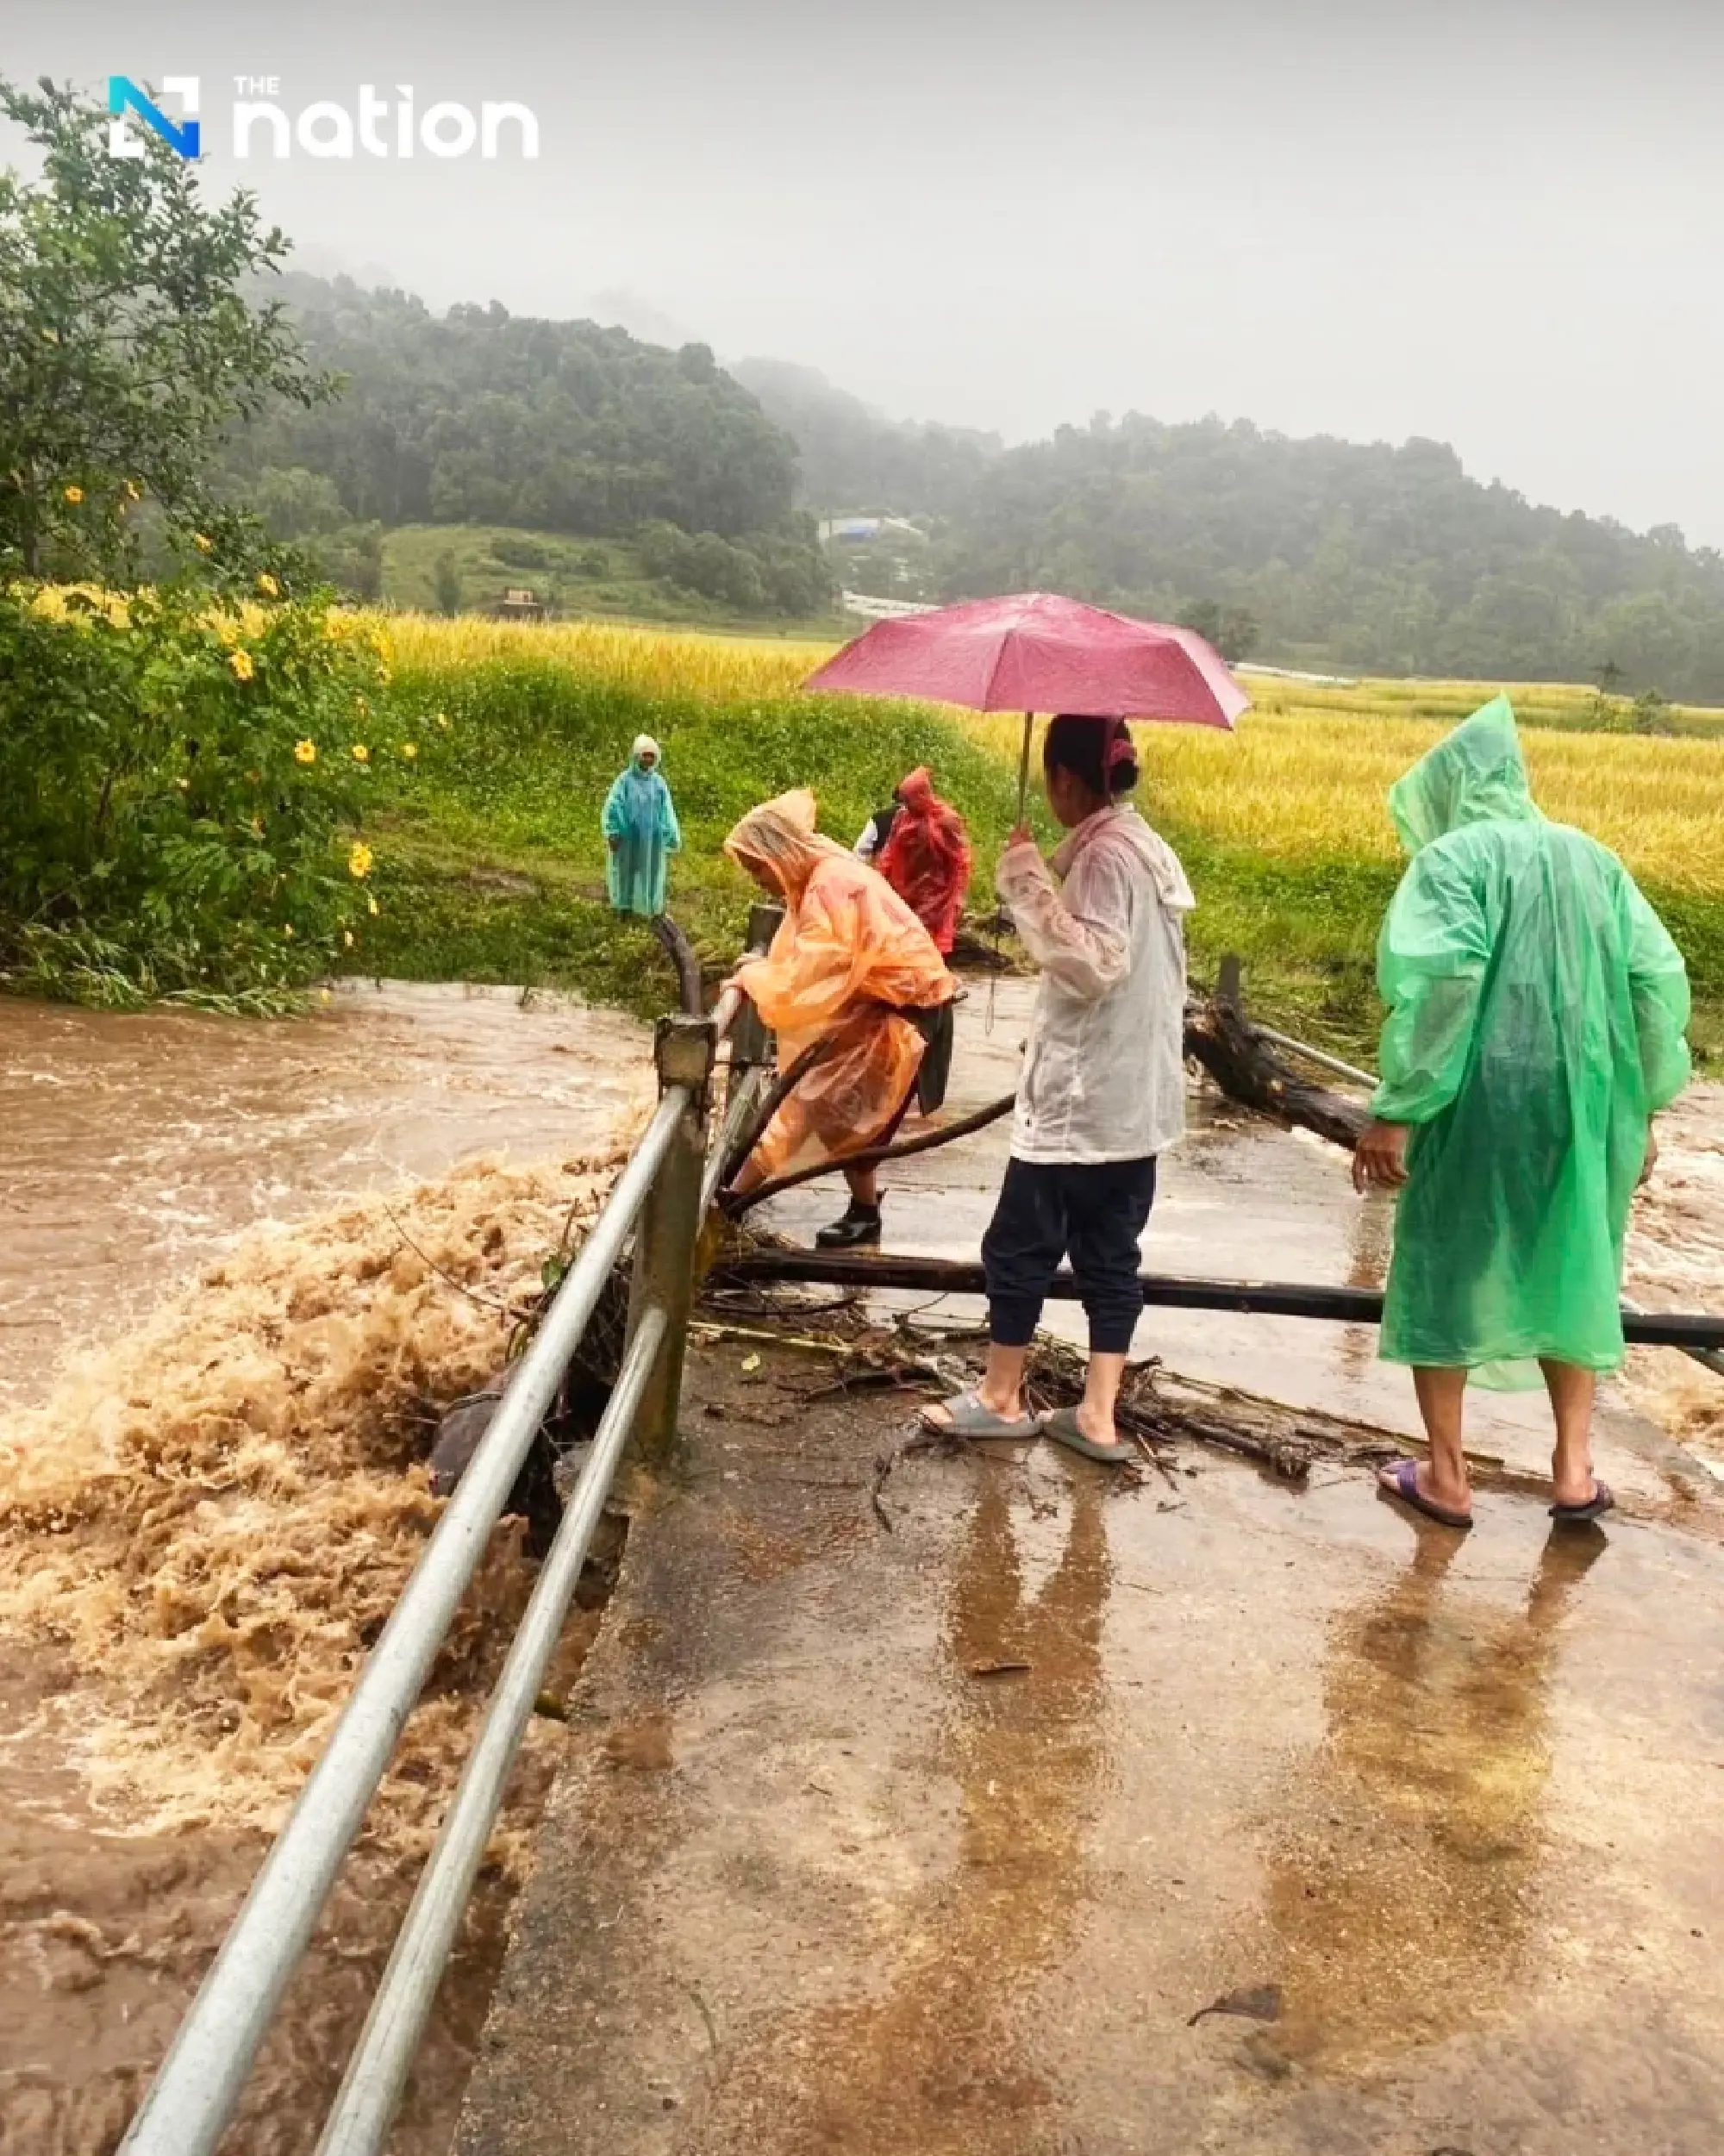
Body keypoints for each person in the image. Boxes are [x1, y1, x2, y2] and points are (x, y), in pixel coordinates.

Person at [1352, 695, 1691, 1532]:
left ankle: (1445, 1473)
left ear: (1448, 793)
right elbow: (1655, 980)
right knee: (1571, 1262)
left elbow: (1445, 983)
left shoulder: (1449, 861)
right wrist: (1640, 1101)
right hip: (1584, 1102)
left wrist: (1399, 1107)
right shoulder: (1592, 859)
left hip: (1477, 1099)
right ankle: (1573, 1470)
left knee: (1444, 1261)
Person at [926, 715, 1195, 1464]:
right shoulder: (1150, 848)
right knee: (1112, 1254)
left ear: (1065, 780)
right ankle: (1098, 1413)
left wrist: (1026, 883)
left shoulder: (1105, 857)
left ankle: (1001, 1396)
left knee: (1020, 1245)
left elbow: (1094, 963)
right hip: (1132, 1098)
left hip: (1084, 1096)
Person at [721, 789, 956, 1247]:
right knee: (822, 1104)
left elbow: (811, 974)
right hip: (881, 1004)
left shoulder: (830, 885)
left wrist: (753, 977)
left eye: (757, 868)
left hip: (905, 1011)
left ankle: (733, 1199)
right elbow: (804, 960)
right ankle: (736, 1196)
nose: (758, 880)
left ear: (779, 853)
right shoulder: (816, 880)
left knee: (837, 1109)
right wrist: (760, 975)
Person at [873, 765, 972, 957]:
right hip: (906, 888)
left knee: (927, 942)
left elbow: (960, 859)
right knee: (903, 938)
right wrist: (880, 878)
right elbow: (890, 850)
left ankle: (931, 979)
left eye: (910, 800)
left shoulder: (945, 820)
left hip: (937, 893)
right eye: (905, 800)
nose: (907, 805)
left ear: (921, 795)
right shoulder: (902, 817)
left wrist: (959, 893)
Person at [602, 734, 681, 917]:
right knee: (625, 870)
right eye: (645, 755)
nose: (648, 759)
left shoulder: (658, 783)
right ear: (636, 756)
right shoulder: (624, 781)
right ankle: (624, 907)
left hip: (652, 838)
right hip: (628, 837)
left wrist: (670, 833)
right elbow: (614, 805)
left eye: (652, 756)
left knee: (651, 871)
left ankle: (650, 909)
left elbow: (666, 809)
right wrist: (613, 832)